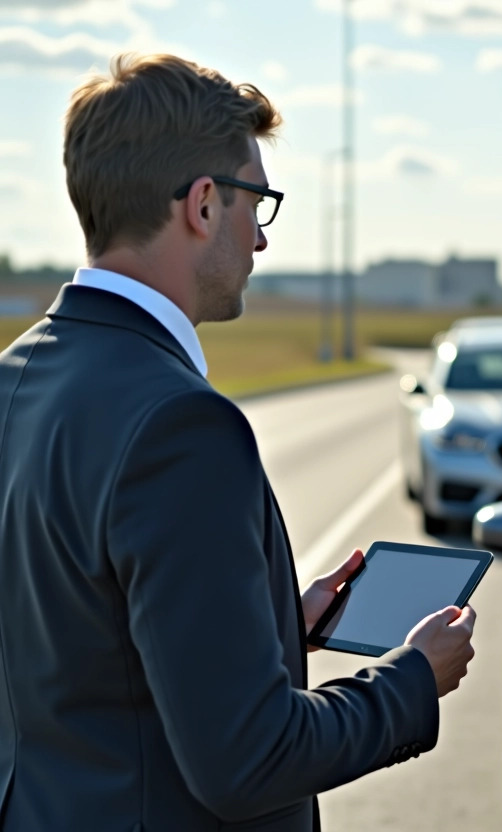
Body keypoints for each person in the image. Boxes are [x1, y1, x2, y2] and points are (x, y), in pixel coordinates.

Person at [0, 53, 475, 832]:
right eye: (259, 201)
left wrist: (275, 626)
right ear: (204, 206)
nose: (260, 239)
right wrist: (412, 682)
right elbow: (247, 760)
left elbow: (79, 654)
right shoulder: (179, 425)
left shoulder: (15, 379)